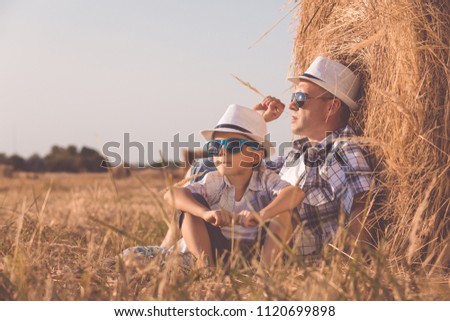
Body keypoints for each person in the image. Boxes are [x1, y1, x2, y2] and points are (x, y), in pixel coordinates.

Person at [161, 56, 373, 259]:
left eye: (300, 99)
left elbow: (361, 205)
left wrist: (354, 265)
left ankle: (175, 250)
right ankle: (169, 245)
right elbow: (247, 166)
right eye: (293, 98)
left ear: (332, 106)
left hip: (293, 250)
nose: (291, 105)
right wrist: (253, 122)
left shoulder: (342, 150)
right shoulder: (300, 150)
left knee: (204, 168)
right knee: (203, 165)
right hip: (259, 237)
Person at [163, 104, 305, 267]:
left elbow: (295, 193)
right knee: (190, 206)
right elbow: (171, 194)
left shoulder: (265, 180)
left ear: (254, 156)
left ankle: (264, 274)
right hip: (220, 251)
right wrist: (205, 213)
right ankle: (206, 269)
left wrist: (262, 214)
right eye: (215, 147)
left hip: (259, 251)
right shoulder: (213, 180)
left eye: (232, 146)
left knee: (284, 210)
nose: (222, 153)